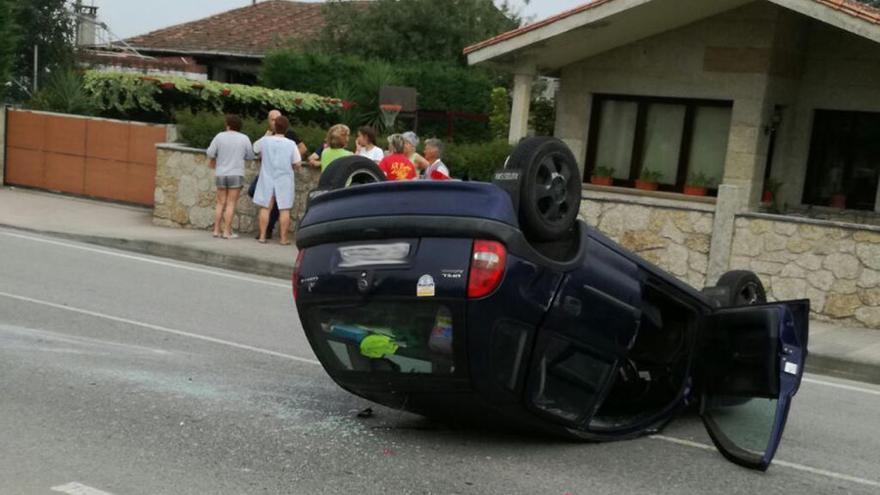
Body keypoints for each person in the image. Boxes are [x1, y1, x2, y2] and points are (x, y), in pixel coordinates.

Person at [250, 109, 306, 239]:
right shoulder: (291, 143)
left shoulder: (265, 140)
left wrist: (265, 137)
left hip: (267, 176)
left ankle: (262, 236)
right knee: (284, 209)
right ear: (286, 128)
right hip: (284, 178)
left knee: (265, 207)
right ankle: (283, 238)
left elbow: (255, 148)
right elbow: (297, 162)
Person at [207, 114, 255, 239]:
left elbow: (210, 152)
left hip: (221, 173)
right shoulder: (244, 138)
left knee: (220, 203)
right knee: (231, 203)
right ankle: (226, 232)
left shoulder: (219, 136)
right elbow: (250, 155)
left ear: (228, 125)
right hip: (236, 173)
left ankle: (216, 230)